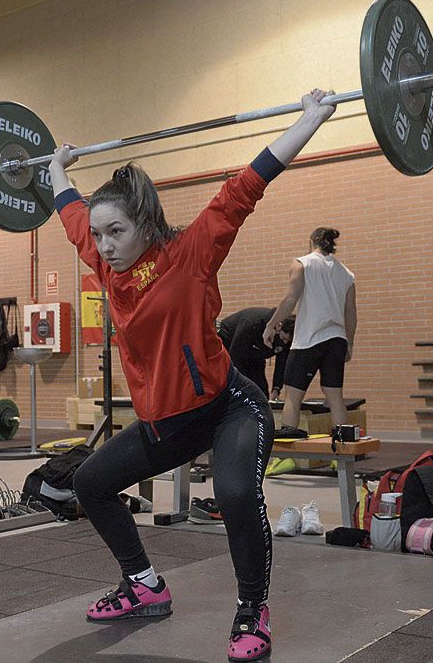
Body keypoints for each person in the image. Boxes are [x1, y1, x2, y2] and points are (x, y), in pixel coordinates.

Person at [49, 89, 335, 662]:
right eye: (100, 235)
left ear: (146, 224)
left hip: (227, 406)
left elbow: (248, 185)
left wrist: (310, 118)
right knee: (90, 484)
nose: (104, 246)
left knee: (233, 492)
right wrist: (56, 167)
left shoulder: (191, 252)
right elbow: (70, 211)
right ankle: (144, 584)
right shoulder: (106, 263)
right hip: (163, 422)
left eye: (117, 233)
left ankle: (252, 609)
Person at [262, 227, 356, 437]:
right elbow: (350, 313)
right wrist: (349, 343)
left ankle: (289, 455)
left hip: (309, 339)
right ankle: (343, 451)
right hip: (337, 340)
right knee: (335, 397)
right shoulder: (346, 274)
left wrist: (270, 325)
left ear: (311, 242)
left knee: (293, 397)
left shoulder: (302, 263)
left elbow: (290, 300)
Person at [217, 307, 293, 401]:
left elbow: (281, 364)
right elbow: (235, 357)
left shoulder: (285, 339)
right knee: (242, 388)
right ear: (278, 327)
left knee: (261, 390)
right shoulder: (251, 324)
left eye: (287, 341)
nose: (284, 343)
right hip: (230, 345)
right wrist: (243, 385)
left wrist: (276, 389)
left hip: (255, 353)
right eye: (284, 339)